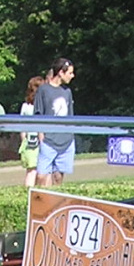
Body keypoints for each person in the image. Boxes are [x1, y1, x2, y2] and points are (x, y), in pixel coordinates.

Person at [33, 59, 76, 188]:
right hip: (48, 140)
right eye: (70, 73)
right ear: (61, 73)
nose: (72, 76)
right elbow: (38, 113)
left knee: (58, 177)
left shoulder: (67, 91)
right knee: (41, 176)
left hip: (66, 140)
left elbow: (70, 116)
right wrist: (41, 134)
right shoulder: (43, 90)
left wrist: (70, 134)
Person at [18, 75, 45, 189]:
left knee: (31, 171)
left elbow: (22, 129)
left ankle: (28, 192)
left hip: (29, 142)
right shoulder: (42, 107)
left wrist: (23, 141)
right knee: (38, 172)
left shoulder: (25, 107)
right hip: (38, 142)